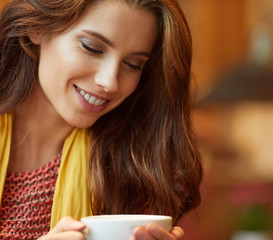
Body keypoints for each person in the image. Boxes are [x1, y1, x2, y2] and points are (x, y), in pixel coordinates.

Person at [0, 0, 203, 239]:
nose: (110, 82)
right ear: (38, 28)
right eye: (92, 47)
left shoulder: (132, 171)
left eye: (132, 64)